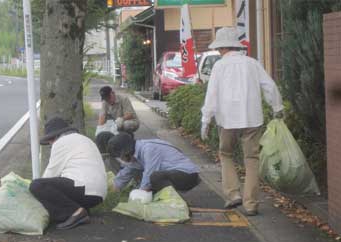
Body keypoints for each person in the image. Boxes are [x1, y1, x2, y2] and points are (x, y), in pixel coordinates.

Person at [200, 27, 284, 216]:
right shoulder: (252, 63)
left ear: (222, 48)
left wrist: (206, 120)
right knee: (251, 159)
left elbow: (211, 95)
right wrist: (277, 107)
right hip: (252, 118)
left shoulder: (219, 66)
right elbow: (269, 86)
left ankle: (233, 194)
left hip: (227, 119)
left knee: (226, 154)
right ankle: (251, 204)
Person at [29, 117, 107, 230]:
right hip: (98, 194)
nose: (50, 144)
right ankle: (79, 210)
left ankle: (75, 212)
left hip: (83, 188)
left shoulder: (61, 143)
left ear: (54, 136)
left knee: (37, 185)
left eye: (50, 140)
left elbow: (50, 175)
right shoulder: (85, 139)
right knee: (58, 184)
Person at [107, 133, 200, 193]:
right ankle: (159, 196)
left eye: (121, 156)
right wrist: (113, 190)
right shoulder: (135, 153)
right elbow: (126, 172)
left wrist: (140, 195)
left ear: (127, 151)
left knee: (154, 177)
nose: (121, 160)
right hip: (173, 174)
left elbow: (149, 173)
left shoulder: (149, 149)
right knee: (137, 172)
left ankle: (176, 203)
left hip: (188, 175)